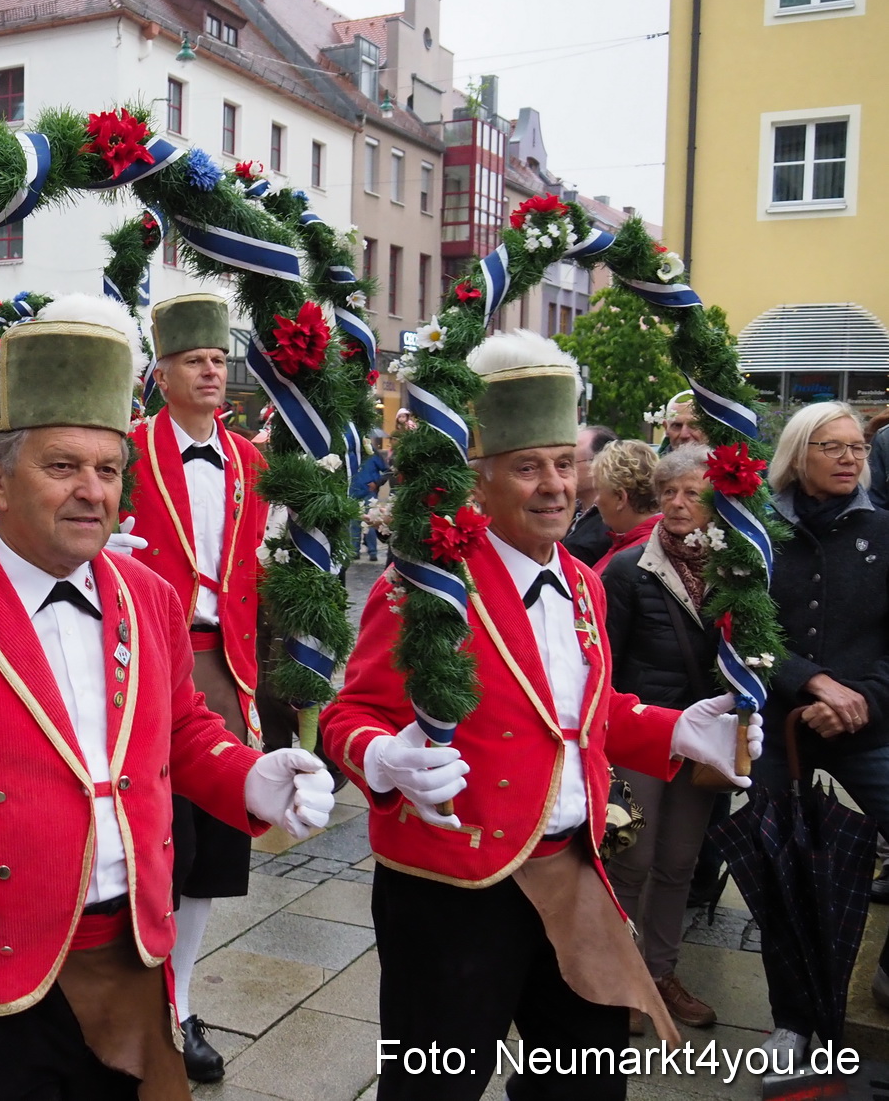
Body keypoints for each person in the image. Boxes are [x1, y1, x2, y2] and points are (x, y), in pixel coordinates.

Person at [0, 309, 334, 1101]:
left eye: (109, 469)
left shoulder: (149, 596)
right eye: (62, 466)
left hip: (131, 957)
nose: (93, 492)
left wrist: (250, 778)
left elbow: (181, 728)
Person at [321, 332, 760, 1101]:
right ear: (480, 480)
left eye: (564, 463)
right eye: (528, 467)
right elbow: (349, 712)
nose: (555, 485)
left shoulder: (587, 585)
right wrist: (384, 758)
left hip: (573, 868)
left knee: (584, 1085)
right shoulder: (430, 584)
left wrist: (674, 728)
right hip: (453, 884)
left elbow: (582, 717)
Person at [123, 292, 270, 1083]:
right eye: (195, 360)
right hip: (150, 661)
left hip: (230, 667)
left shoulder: (251, 460)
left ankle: (180, 1003)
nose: (212, 370)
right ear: (163, 371)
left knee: (213, 849)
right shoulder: (129, 449)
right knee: (159, 837)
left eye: (218, 359)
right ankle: (145, 1001)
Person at [752, 401, 889, 1063]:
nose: (848, 458)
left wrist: (857, 696)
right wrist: (809, 681)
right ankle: (793, 1019)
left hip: (868, 722)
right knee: (783, 869)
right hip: (783, 730)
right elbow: (746, 632)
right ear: (797, 455)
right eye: (831, 446)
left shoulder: (885, 532)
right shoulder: (759, 533)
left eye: (856, 448)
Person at [600, 444, 723, 1032]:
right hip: (644, 735)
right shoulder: (630, 569)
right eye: (669, 492)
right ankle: (621, 977)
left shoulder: (736, 571)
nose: (678, 503)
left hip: (704, 740)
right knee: (633, 857)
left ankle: (660, 973)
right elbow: (609, 661)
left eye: (692, 493)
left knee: (678, 861)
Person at [589, 439, 661, 571]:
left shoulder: (632, 558)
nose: (596, 501)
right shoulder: (658, 543)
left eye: (598, 491)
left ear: (620, 498)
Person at [565, 425, 618, 565]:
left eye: (569, 462)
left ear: (598, 463)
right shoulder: (569, 510)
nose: (560, 471)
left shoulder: (612, 523)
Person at [349, 432, 391, 563]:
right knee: (354, 523)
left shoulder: (374, 454)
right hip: (353, 493)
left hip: (368, 494)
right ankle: (354, 551)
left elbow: (387, 471)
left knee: (371, 522)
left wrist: (377, 483)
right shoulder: (350, 454)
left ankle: (373, 551)